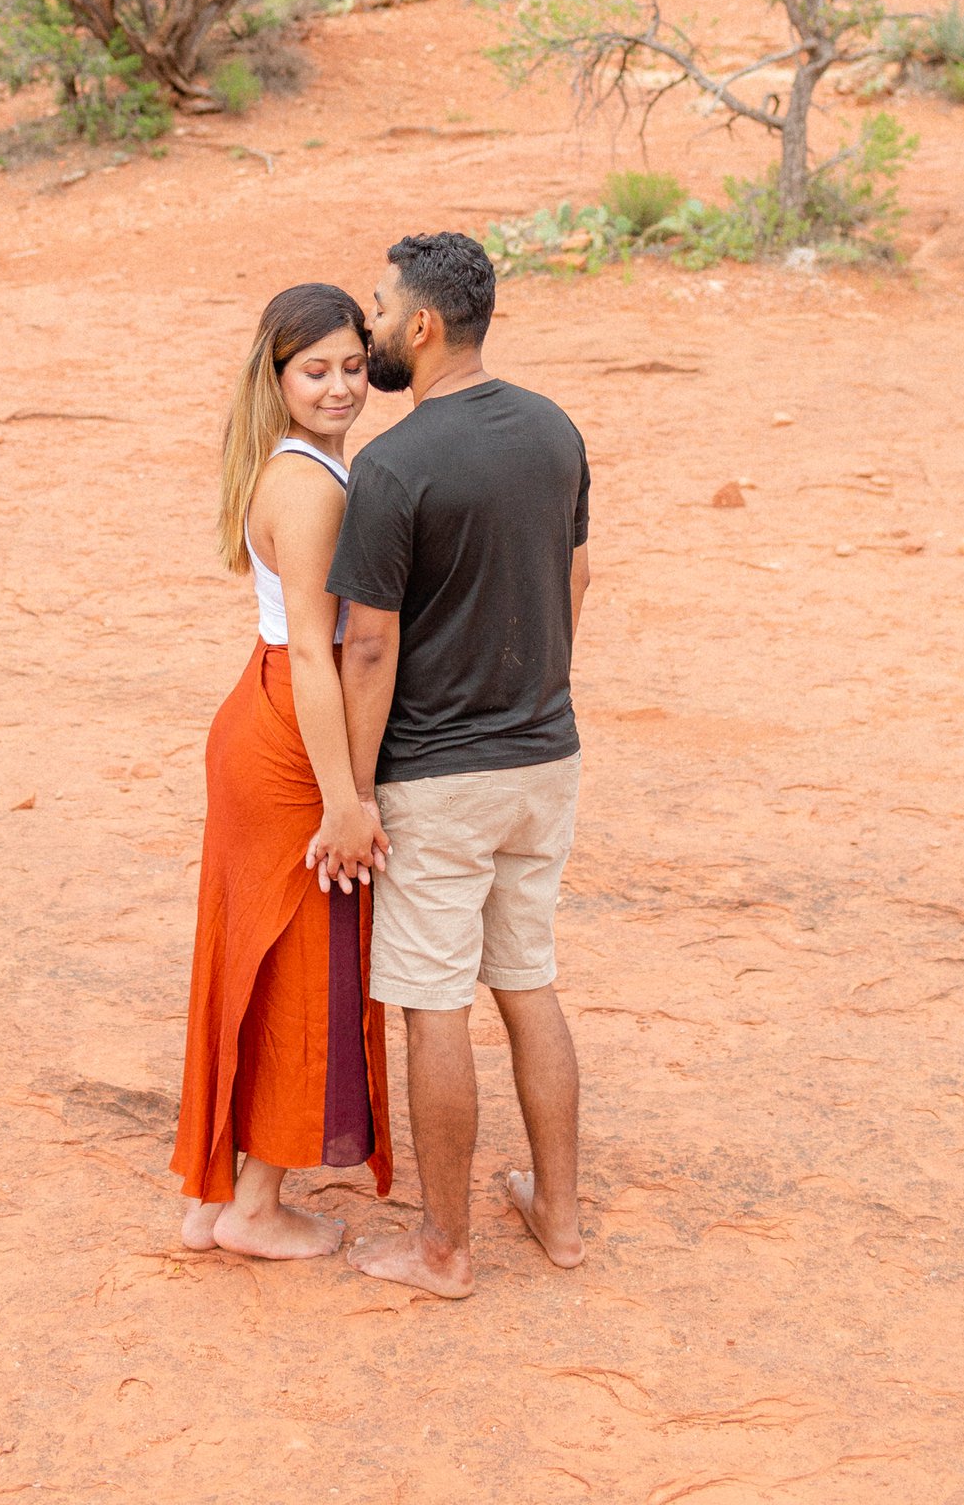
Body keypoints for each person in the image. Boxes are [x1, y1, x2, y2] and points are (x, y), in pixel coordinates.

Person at [317, 230, 590, 1298]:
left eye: (383, 309)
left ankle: (443, 1248)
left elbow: (369, 646)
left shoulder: (394, 465)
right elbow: (576, 579)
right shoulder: (554, 429)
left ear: (423, 324)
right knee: (528, 983)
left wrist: (355, 789)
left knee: (434, 1003)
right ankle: (558, 1217)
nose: (373, 323)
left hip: (438, 772)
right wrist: (533, 696)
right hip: (544, 757)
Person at [172, 284, 393, 1258]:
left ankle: (212, 1194)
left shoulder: (298, 465)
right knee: (302, 959)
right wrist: (345, 799)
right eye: (316, 371)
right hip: (293, 734)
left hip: (267, 716)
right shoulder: (309, 488)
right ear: (277, 376)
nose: (339, 386)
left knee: (251, 954)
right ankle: (253, 1209)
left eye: (353, 366)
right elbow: (313, 649)